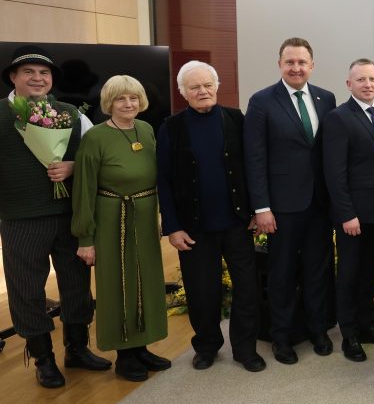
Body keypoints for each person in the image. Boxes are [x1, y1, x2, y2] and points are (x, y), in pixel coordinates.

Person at [0, 45, 109, 388]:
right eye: (28, 72)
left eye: (44, 73)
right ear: (13, 77)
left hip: (69, 216)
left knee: (77, 284)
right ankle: (43, 358)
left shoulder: (72, 114)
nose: (37, 78)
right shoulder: (0, 114)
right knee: (26, 290)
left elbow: (96, 158)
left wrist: (74, 166)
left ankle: (77, 349)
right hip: (21, 218)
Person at [156, 61, 265, 373]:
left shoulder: (235, 118)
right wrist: (172, 227)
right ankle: (206, 346)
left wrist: (256, 210)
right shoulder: (171, 127)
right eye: (195, 87)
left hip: (237, 223)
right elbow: (164, 180)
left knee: (248, 289)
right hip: (194, 228)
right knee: (202, 293)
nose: (202, 91)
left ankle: (245, 349)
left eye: (207, 85)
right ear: (183, 92)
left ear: (216, 86)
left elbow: (252, 166)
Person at [244, 37, 337, 365]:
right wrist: (262, 207)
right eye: (290, 62)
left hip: (319, 205)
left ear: (312, 65)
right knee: (281, 273)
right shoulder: (261, 101)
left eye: (302, 62)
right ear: (280, 64)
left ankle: (318, 329)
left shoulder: (326, 98)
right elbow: (254, 157)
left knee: (317, 270)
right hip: (281, 207)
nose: (296, 68)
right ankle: (281, 337)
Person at [72, 75, 170, 382]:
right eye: (120, 99)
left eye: (133, 98)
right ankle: (124, 354)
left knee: (147, 281)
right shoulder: (96, 137)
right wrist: (85, 237)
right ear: (108, 103)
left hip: (144, 215)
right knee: (117, 283)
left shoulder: (146, 129)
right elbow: (84, 189)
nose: (128, 104)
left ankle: (141, 346)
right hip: (112, 217)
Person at [322, 58, 374, 362]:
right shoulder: (338, 118)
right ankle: (350, 334)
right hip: (353, 215)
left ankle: (367, 325)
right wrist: (346, 214)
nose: (367, 84)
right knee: (350, 274)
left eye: (372, 79)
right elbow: (335, 172)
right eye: (361, 79)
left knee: (369, 272)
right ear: (349, 84)